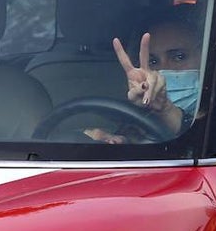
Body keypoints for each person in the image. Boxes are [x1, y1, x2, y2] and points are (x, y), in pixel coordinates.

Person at [85, 9, 203, 143]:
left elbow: (203, 144)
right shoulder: (133, 116)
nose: (162, 70)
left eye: (179, 57)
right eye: (153, 61)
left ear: (204, 57)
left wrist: (167, 110)